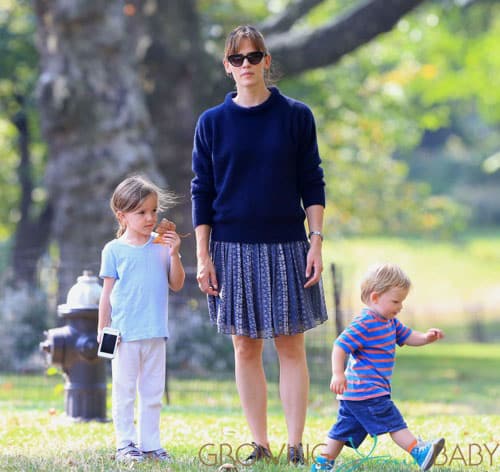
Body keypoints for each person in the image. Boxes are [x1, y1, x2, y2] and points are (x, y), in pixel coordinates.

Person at [191, 24, 328, 466]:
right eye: (237, 59)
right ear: (226, 67)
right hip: (230, 248)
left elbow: (313, 180)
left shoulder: (296, 116)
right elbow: (202, 192)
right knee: (244, 346)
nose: (246, 65)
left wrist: (316, 241)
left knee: (290, 346)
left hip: (288, 244)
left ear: (267, 61)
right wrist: (202, 256)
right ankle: (260, 444)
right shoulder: (211, 122)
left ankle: (294, 445)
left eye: (254, 57)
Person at [311, 263, 445, 471]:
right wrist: (337, 374)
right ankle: (419, 451)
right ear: (375, 298)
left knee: (342, 430)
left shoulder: (390, 322)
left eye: (402, 301)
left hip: (355, 394)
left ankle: (322, 464)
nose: (400, 306)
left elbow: (409, 336)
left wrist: (426, 337)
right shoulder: (365, 322)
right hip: (367, 390)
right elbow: (340, 345)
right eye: (395, 301)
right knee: (394, 422)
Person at [98, 175, 185, 463]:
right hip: (124, 336)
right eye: (142, 212)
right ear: (122, 215)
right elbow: (106, 294)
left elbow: (176, 284)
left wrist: (175, 254)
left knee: (152, 393)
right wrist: (103, 329)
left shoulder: (161, 246)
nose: (150, 218)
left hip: (155, 333)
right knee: (124, 393)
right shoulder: (114, 250)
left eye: (153, 211)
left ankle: (151, 444)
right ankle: (126, 443)